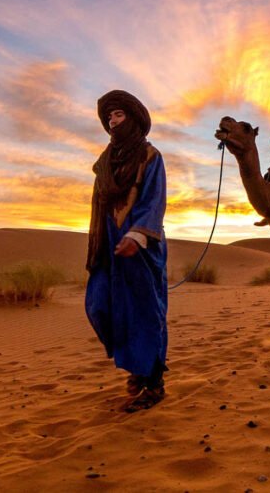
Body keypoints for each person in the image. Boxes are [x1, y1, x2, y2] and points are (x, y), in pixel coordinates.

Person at [85, 90, 168, 413]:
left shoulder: (150, 156)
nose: (112, 121)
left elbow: (154, 200)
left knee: (146, 313)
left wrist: (136, 235)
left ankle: (153, 381)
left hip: (142, 246)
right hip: (109, 245)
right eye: (109, 117)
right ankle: (136, 368)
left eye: (118, 115)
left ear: (131, 119)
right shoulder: (104, 163)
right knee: (102, 305)